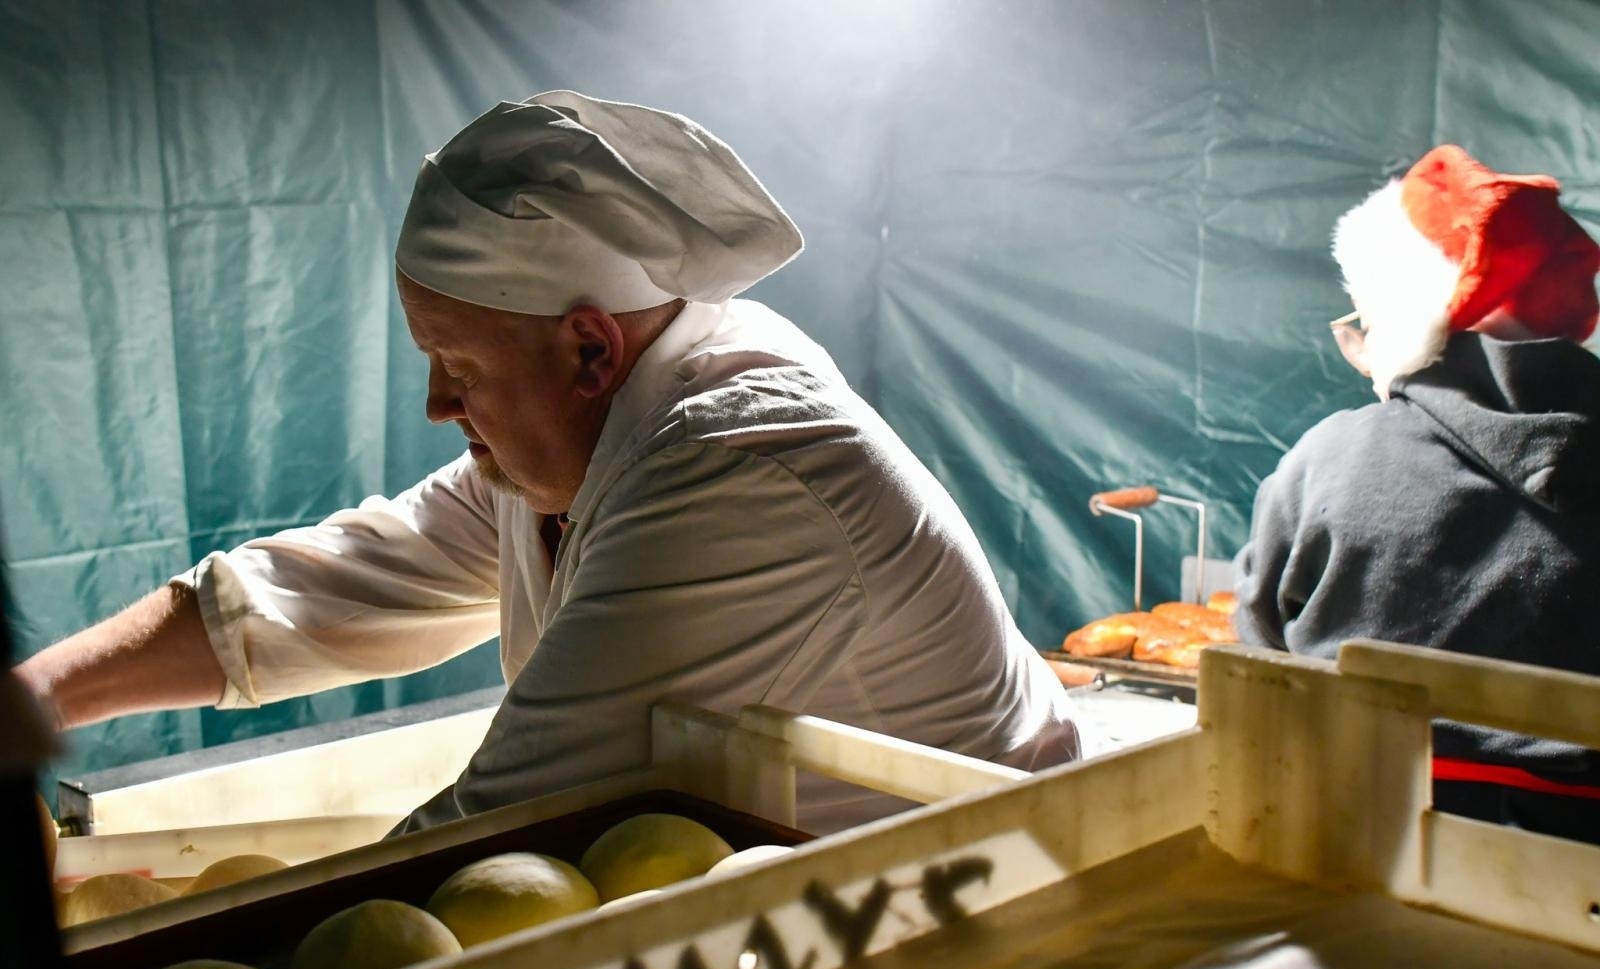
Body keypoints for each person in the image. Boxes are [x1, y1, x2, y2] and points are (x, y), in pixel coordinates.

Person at [13, 91, 1079, 834]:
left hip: (988, 899)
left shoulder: (745, 474)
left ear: (587, 347)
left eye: (457, 365)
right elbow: (324, 590)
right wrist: (33, 698)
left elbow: (510, 817)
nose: (436, 405)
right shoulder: (573, 456)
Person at [1234, 144, 1600, 842]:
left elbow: (1253, 667)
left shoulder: (1329, 458)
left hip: (1347, 845)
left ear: (1401, 320)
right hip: (1578, 886)